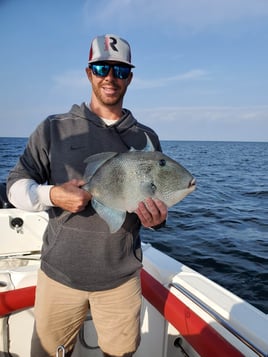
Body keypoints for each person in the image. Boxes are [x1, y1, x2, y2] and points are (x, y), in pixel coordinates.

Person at [7, 34, 167, 357]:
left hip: (121, 281)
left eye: (120, 71)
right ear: (89, 73)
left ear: (130, 79)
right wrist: (53, 195)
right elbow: (14, 187)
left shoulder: (146, 138)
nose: (111, 77)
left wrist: (158, 220)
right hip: (59, 276)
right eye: (102, 68)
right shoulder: (54, 128)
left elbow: (155, 199)